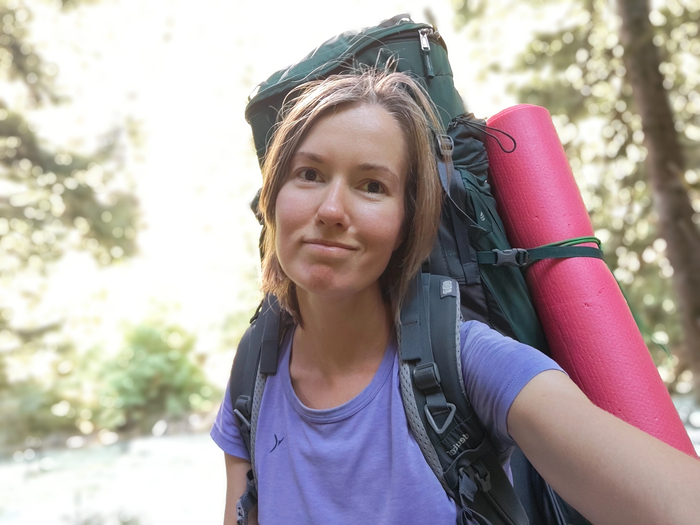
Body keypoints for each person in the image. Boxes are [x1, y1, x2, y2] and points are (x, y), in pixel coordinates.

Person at [211, 70, 700, 525]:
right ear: (272, 198)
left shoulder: (467, 363)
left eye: (372, 186)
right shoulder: (255, 372)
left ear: (407, 224)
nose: (332, 209)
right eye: (309, 174)